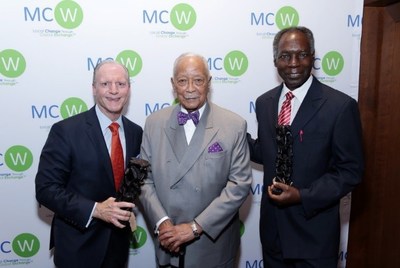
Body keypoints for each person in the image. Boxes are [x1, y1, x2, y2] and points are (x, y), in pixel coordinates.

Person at [247, 26, 364, 267]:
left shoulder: (340, 107)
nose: (293, 63)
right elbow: (268, 152)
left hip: (314, 237)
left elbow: (350, 171)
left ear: (313, 57)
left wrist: (303, 196)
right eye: (285, 56)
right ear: (275, 60)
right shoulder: (264, 103)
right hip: (273, 234)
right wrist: (229, 136)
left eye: (301, 54)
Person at [138, 52, 253, 268]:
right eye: (183, 81)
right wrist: (163, 223)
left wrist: (194, 227)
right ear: (173, 84)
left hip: (212, 246)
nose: (190, 88)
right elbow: (144, 180)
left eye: (198, 80)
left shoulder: (233, 125)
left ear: (208, 83)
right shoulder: (154, 123)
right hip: (168, 242)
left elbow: (239, 185)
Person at [35, 59, 143, 268]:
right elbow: (45, 189)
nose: (113, 90)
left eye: (120, 84)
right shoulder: (66, 131)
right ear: (94, 89)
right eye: (105, 84)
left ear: (128, 89)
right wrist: (96, 209)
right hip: (78, 247)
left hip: (118, 247)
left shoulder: (136, 132)